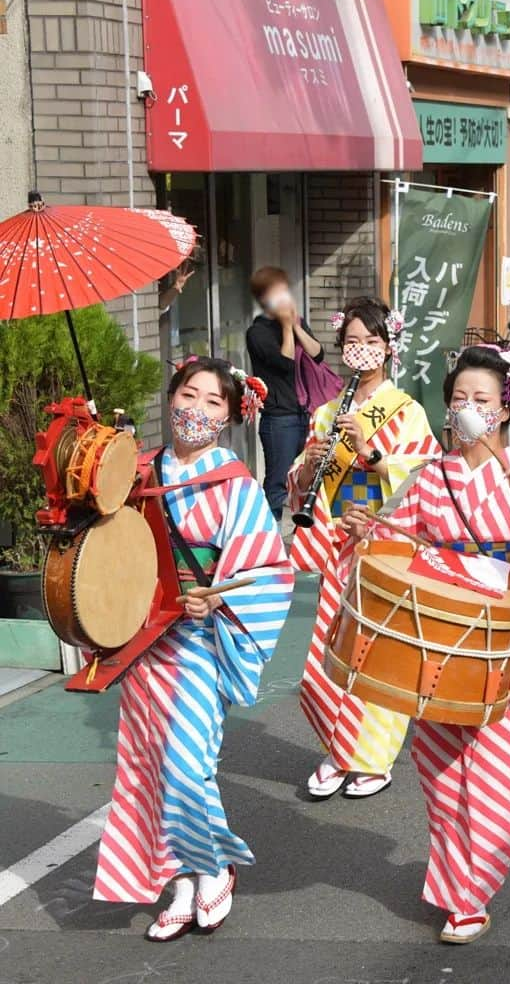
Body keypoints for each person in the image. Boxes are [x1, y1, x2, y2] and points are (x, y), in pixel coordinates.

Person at [342, 346, 510, 944]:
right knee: (443, 770)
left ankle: (475, 884)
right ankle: (457, 893)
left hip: (497, 644)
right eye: (460, 400)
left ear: (504, 409)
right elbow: (403, 538)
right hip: (440, 645)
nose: (470, 410)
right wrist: (370, 529)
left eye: (483, 401)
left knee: (500, 771)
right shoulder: (430, 476)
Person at [93, 357, 294, 940]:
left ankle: (214, 866)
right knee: (148, 762)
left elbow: (267, 567)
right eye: (189, 394)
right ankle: (178, 877)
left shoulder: (233, 482)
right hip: (140, 636)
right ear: (171, 397)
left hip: (200, 638)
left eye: (213, 401)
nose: (196, 409)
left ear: (231, 415)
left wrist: (219, 597)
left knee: (186, 761)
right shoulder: (138, 469)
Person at [287, 297, 440, 801]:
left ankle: (373, 758)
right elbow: (301, 482)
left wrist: (373, 455)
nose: (361, 350)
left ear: (389, 348)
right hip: (337, 540)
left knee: (379, 656)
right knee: (327, 658)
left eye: (371, 342)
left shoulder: (408, 410)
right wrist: (310, 464)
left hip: (384, 540)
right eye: (352, 342)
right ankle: (339, 747)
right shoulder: (327, 412)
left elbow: (424, 477)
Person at [245, 266, 326, 521]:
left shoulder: (296, 322)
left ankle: (304, 536)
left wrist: (296, 326)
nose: (284, 297)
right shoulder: (257, 332)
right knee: (278, 483)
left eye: (284, 290)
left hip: (305, 412)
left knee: (308, 475)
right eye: (276, 293)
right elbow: (286, 363)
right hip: (279, 418)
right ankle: (271, 537)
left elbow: (318, 353)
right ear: (264, 299)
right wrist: (286, 328)